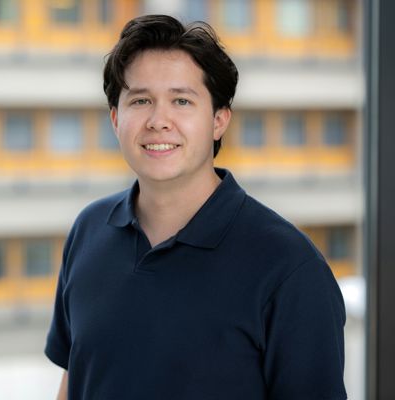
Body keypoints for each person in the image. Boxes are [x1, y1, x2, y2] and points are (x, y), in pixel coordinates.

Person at [45, 14, 347, 400]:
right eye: (141, 100)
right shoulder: (89, 230)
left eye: (182, 101)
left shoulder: (290, 268)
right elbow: (74, 381)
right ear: (116, 119)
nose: (159, 121)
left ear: (219, 121)